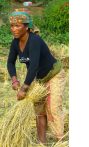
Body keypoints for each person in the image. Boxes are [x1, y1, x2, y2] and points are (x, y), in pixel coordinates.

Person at [7, 8, 65, 146]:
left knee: (53, 109)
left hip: (53, 75)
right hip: (37, 80)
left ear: (27, 27)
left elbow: (33, 66)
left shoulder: (34, 40)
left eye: (17, 26)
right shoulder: (15, 42)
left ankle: (61, 142)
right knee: (39, 112)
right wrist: (14, 79)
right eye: (12, 26)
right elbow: (10, 62)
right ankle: (42, 144)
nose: (14, 29)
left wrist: (24, 89)